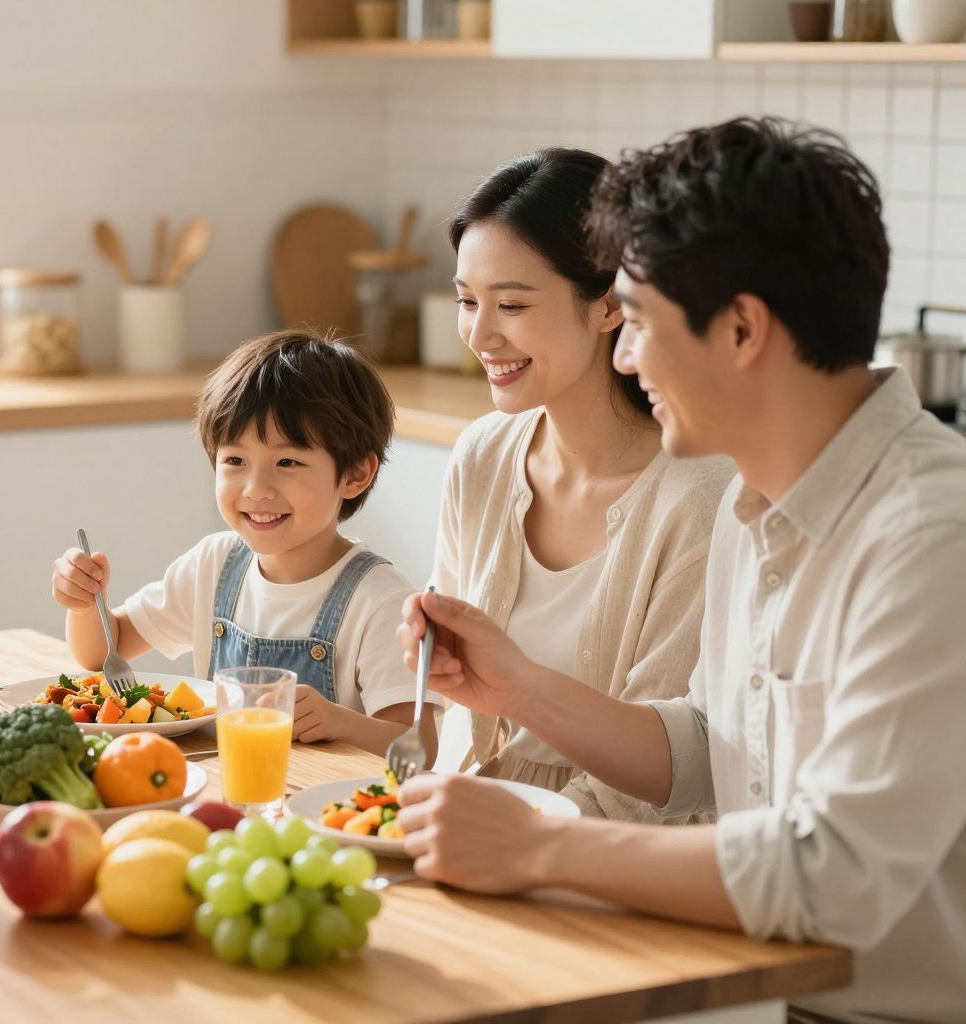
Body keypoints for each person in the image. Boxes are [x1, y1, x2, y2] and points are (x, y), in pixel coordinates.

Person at [398, 118, 966, 1022]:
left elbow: (840, 878)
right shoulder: (758, 495)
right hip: (748, 985)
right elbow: (711, 746)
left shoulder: (931, 537)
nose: (624, 355)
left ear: (742, 328)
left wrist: (537, 850)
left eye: (641, 321)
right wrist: (521, 689)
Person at [429, 147, 732, 821]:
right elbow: (451, 710)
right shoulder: (482, 455)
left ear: (608, 307)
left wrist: (518, 842)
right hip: (467, 820)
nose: (479, 335)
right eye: (466, 301)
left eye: (510, 303)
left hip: (611, 854)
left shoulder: (701, 496)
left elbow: (668, 778)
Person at [51, 328, 435, 757]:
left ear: (355, 475)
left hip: (319, 811)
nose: (256, 489)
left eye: (287, 461)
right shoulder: (213, 566)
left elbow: (419, 750)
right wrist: (86, 604)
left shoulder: (381, 600)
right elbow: (104, 652)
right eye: (235, 461)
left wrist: (336, 721)